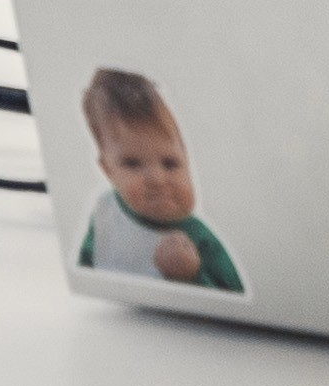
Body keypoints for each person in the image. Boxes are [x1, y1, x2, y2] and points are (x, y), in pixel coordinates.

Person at [72, 65, 246, 292]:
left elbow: (235, 302)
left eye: (170, 163)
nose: (156, 179)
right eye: (132, 164)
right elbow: (86, 266)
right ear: (108, 170)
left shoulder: (198, 239)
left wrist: (191, 276)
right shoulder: (106, 211)